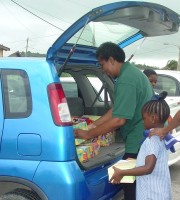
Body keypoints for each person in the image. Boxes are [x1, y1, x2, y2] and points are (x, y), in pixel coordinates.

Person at [74, 42, 154, 200]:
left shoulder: (126, 80)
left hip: (138, 140)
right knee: (132, 182)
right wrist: (95, 124)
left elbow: (118, 120)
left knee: (130, 183)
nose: (103, 70)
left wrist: (88, 134)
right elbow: (117, 110)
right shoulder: (131, 73)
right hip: (141, 137)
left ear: (111, 60)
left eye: (102, 64)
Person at [110, 91, 172, 200]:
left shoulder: (152, 139)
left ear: (153, 118)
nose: (143, 122)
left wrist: (122, 172)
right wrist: (136, 161)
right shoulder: (162, 136)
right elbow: (154, 160)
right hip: (161, 192)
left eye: (144, 118)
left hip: (152, 194)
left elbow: (148, 168)